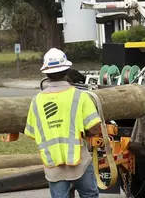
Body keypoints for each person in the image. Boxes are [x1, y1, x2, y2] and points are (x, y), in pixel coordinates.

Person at [25, 48, 102, 198]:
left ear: (46, 73)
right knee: (90, 195)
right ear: (66, 70)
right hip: (80, 162)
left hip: (53, 164)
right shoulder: (80, 97)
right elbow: (94, 128)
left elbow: (32, 133)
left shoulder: (36, 102)